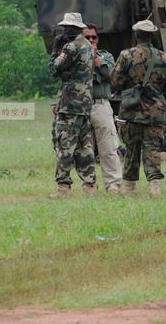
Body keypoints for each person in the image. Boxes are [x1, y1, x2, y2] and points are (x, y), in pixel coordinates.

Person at [111, 19, 166, 198]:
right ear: (151, 35)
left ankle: (129, 189)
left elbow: (115, 81)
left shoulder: (126, 56)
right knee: (153, 149)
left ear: (136, 35)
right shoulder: (163, 57)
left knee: (131, 148)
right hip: (155, 111)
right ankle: (155, 187)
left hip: (131, 111)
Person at [48, 12, 96, 198]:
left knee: (65, 144)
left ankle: (63, 187)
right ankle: (90, 186)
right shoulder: (86, 46)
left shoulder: (71, 47)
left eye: (68, 28)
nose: (65, 31)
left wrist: (55, 49)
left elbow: (53, 69)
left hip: (70, 104)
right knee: (85, 146)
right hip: (85, 104)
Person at [84, 23, 123, 194]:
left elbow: (111, 76)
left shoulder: (105, 56)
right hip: (81, 106)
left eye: (94, 37)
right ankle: (89, 184)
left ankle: (113, 184)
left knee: (108, 147)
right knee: (85, 149)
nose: (91, 40)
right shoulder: (75, 58)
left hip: (101, 104)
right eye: (87, 37)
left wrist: (95, 60)